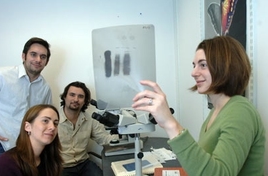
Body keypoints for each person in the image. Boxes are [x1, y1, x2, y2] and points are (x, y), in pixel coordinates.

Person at [132, 36, 265, 176]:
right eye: (194, 65)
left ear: (225, 66)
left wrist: (170, 124)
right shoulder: (217, 110)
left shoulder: (240, 111)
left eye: (203, 65)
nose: (193, 73)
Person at [0, 37, 53, 155]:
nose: (38, 60)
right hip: (1, 145)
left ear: (46, 62)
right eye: (33, 54)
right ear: (24, 56)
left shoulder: (45, 88)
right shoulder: (2, 76)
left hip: (27, 147)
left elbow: (46, 117)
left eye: (43, 57)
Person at [58, 81, 119, 176]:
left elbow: (104, 139)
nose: (76, 99)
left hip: (84, 164)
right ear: (65, 97)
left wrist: (124, 134)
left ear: (85, 101)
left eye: (80, 96)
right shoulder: (53, 120)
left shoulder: (89, 120)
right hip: (61, 167)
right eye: (72, 95)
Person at [0, 104, 63, 176]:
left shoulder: (51, 159)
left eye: (55, 123)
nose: (52, 127)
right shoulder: (5, 163)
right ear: (27, 127)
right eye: (45, 121)